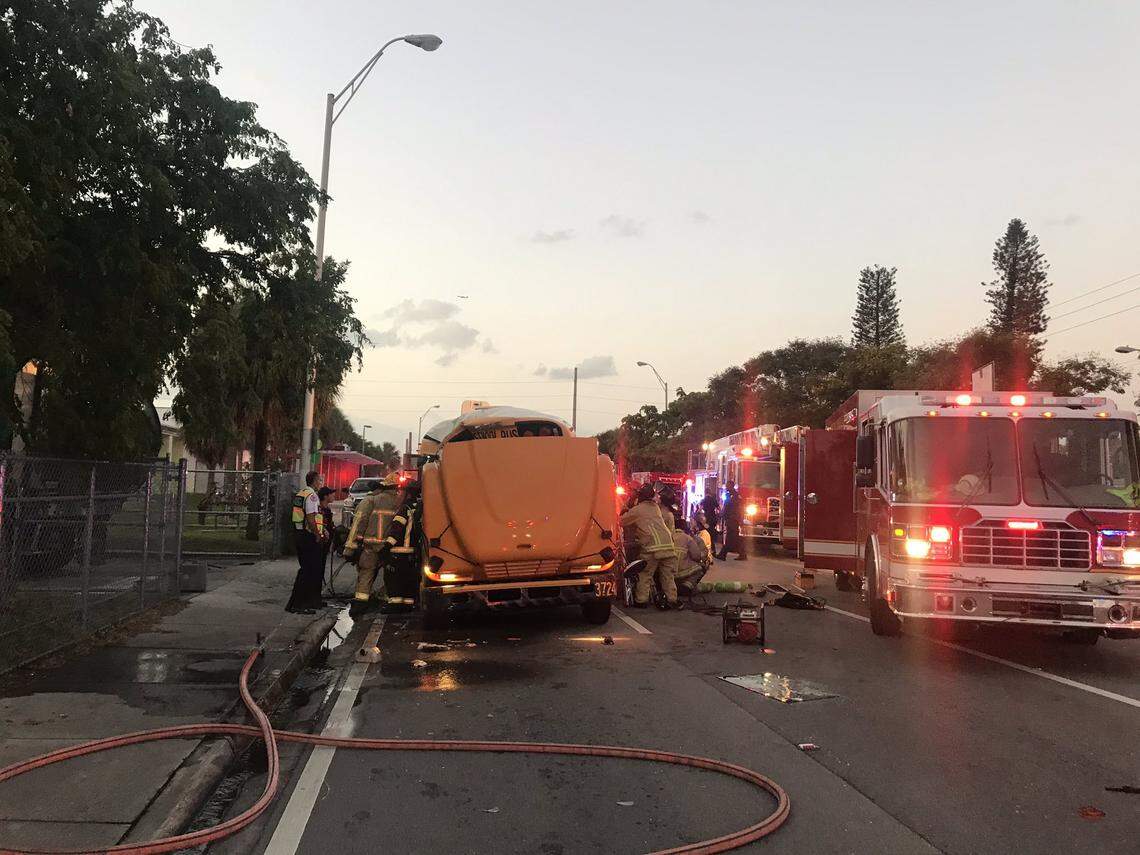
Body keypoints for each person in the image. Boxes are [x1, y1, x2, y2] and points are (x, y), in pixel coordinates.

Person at [619, 483, 683, 609]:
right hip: (668, 545)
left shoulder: (638, 509)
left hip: (652, 548)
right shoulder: (656, 508)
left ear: (640, 496)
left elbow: (621, 521)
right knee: (668, 576)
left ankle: (641, 600)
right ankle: (672, 599)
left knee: (645, 574)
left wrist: (625, 509)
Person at [343, 476, 399, 619]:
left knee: (366, 574)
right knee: (391, 576)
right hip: (391, 548)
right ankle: (384, 601)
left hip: (370, 547)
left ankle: (360, 606)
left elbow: (358, 524)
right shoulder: (400, 503)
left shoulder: (371, 501)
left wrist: (350, 549)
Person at [286, 471, 328, 613]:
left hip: (298, 533)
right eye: (320, 480)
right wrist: (318, 535)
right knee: (308, 570)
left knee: (306, 569)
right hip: (307, 536)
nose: (320, 483)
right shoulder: (312, 496)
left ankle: (301, 602)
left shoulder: (301, 494)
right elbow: (310, 518)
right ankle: (299, 604)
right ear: (315, 481)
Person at [377, 480, 422, 611]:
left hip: (399, 551)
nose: (398, 494)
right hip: (412, 552)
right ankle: (408, 604)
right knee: (409, 580)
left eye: (400, 492)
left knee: (394, 579)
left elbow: (396, 530)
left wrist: (386, 548)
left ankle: (395, 605)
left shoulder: (404, 509)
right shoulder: (418, 508)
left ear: (407, 494)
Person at [672, 522, 712, 596]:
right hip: (682, 572)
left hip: (668, 571)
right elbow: (697, 556)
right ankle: (687, 586)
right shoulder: (689, 538)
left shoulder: (669, 536)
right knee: (701, 567)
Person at [716, 481, 747, 561]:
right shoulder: (732, 495)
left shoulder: (733, 496)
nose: (726, 487)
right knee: (733, 538)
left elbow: (730, 508)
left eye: (727, 486)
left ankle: (723, 555)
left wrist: (721, 515)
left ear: (731, 486)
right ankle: (741, 554)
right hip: (732, 519)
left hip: (732, 519)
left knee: (731, 537)